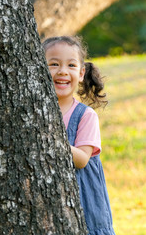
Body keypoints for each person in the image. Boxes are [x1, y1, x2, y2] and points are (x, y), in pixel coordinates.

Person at [42, 36, 115, 235]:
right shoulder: (35, 113)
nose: (62, 71)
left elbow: (82, 159)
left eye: (71, 65)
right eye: (54, 64)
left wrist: (49, 140)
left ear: (81, 73)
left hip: (84, 206)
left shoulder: (85, 116)